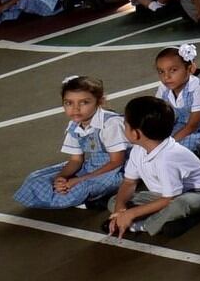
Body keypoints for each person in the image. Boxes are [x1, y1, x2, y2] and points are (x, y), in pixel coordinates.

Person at [102, 94, 200, 239]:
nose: (123, 127)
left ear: (135, 133)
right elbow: (129, 182)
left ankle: (142, 225)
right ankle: (163, 222)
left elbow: (170, 198)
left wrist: (131, 213)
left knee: (180, 204)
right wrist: (120, 210)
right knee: (114, 201)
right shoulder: (139, 149)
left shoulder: (167, 158)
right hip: (162, 196)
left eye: (125, 124)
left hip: (199, 194)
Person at [14, 75, 127, 210]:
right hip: (92, 167)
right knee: (35, 179)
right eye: (69, 103)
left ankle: (100, 196)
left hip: (117, 170)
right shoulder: (74, 125)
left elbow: (117, 162)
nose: (75, 109)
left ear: (99, 102)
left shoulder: (110, 124)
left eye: (84, 102)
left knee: (81, 188)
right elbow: (76, 160)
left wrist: (80, 179)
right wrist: (60, 178)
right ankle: (84, 198)